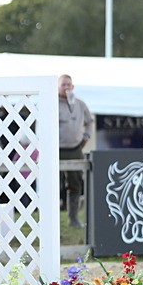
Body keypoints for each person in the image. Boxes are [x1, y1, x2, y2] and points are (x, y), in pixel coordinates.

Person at [57, 74, 94, 229]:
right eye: (64, 84)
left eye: (69, 85)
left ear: (73, 87)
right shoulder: (52, 103)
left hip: (75, 149)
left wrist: (86, 137)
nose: (67, 87)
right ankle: (53, 220)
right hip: (57, 150)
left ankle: (73, 218)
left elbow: (89, 122)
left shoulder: (80, 104)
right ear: (58, 87)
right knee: (55, 185)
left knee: (76, 184)